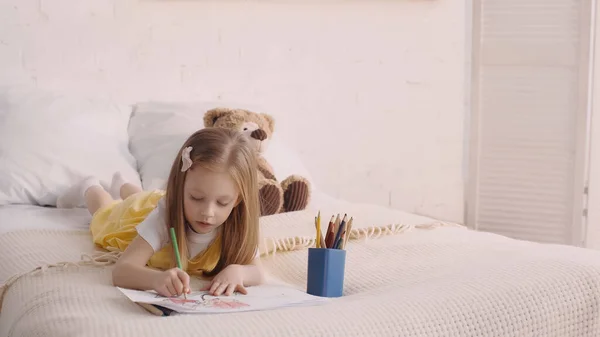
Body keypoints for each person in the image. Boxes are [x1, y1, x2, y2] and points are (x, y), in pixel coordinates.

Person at [57, 128, 265, 297]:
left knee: (140, 197)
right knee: (107, 213)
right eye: (196, 198)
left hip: (153, 200)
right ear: (179, 188)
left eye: (222, 202)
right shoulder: (163, 218)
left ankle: (123, 184)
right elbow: (122, 270)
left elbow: (257, 272)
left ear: (237, 199)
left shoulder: (239, 221)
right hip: (137, 213)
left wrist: (239, 271)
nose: (208, 213)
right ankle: (90, 186)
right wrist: (155, 279)